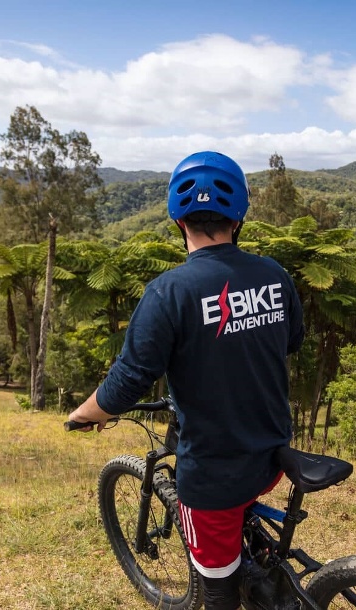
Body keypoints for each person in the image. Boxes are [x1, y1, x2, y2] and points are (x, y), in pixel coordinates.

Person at [68, 151, 304, 610]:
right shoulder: (273, 274)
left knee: (216, 593)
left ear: (179, 221)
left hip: (215, 479)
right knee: (241, 522)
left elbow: (128, 380)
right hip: (273, 455)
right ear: (238, 218)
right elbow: (290, 340)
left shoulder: (168, 292)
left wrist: (85, 413)